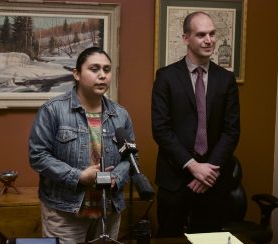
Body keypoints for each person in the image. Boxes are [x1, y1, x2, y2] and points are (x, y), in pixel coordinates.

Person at [29, 47, 135, 243]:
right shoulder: (52, 111)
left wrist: (116, 178)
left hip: (108, 212)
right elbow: (38, 156)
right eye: (94, 69)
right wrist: (79, 176)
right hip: (65, 212)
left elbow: (130, 158)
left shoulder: (121, 115)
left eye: (107, 69)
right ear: (77, 74)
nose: (102, 75)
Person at [151, 11, 240, 236]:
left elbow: (231, 131)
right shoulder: (166, 77)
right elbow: (161, 129)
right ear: (185, 38)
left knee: (209, 239)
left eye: (212, 34)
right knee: (169, 239)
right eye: (201, 35)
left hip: (213, 180)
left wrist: (208, 172)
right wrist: (193, 166)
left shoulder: (226, 79)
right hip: (175, 179)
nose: (209, 40)